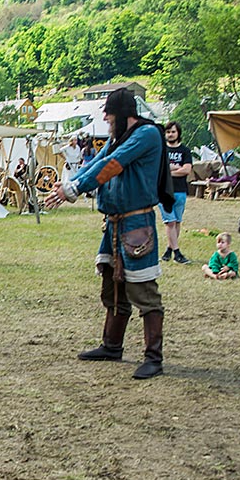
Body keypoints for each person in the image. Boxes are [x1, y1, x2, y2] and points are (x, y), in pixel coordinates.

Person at [45, 87, 171, 380]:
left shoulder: (146, 135)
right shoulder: (118, 139)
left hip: (136, 223)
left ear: (123, 113)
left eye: (109, 112)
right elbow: (96, 163)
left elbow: (112, 166)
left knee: (143, 291)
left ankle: (154, 357)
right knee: (112, 285)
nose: (105, 117)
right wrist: (67, 185)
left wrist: (74, 189)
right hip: (114, 223)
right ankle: (112, 345)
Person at [159, 121, 193, 264]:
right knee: (170, 222)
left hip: (180, 190)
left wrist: (169, 170)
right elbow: (158, 170)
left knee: (177, 222)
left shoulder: (185, 151)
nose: (170, 134)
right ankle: (177, 253)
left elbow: (187, 170)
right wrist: (173, 169)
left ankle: (169, 250)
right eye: (168, 132)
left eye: (173, 131)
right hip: (164, 191)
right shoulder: (161, 150)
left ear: (178, 133)